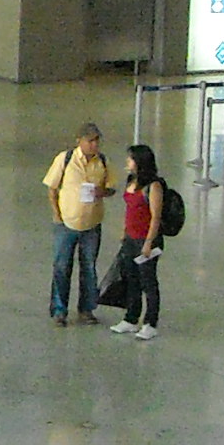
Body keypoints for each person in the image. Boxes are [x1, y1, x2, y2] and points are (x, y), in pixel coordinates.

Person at [42, 123, 112, 328]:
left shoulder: (103, 161)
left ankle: (86, 309)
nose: (94, 145)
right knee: (62, 266)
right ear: (79, 141)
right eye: (90, 140)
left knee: (89, 267)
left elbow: (112, 188)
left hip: (92, 224)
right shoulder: (65, 160)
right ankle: (59, 310)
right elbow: (52, 189)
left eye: (96, 141)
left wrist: (103, 192)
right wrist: (57, 215)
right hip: (67, 224)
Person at [105, 144, 168, 339]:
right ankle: (131, 318)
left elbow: (155, 216)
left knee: (148, 281)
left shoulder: (153, 186)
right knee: (131, 280)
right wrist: (125, 232)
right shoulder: (131, 181)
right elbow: (130, 210)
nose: (127, 162)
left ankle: (151, 322)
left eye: (130, 158)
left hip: (146, 239)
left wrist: (149, 242)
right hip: (131, 239)